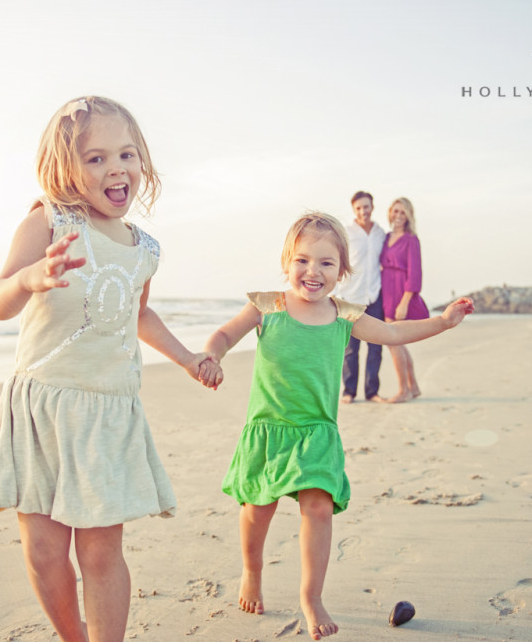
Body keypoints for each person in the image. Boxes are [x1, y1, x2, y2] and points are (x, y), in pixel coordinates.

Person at [0, 96, 217, 642]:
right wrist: (30, 278)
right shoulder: (48, 220)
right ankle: (73, 635)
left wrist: (186, 358)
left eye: (127, 154)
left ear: (142, 163)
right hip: (42, 405)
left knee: (99, 550)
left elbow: (136, 313)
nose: (116, 168)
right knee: (43, 551)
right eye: (95, 158)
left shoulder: (144, 249)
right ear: (66, 167)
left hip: (105, 412)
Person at [199, 212, 473, 640]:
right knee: (257, 509)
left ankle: (311, 596)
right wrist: (210, 357)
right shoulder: (266, 306)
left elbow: (392, 333)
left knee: (319, 509)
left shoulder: (345, 316)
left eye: (326, 263)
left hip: (317, 432)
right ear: (287, 262)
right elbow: (222, 335)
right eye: (303, 260)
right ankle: (252, 572)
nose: (313, 271)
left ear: (342, 271)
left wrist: (442, 322)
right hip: (269, 429)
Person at [335, 191, 386, 404]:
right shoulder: (346, 233)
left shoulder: (380, 233)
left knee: (376, 347)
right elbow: (338, 261)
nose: (363, 211)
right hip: (350, 297)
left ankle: (372, 392)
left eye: (366, 207)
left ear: (372, 207)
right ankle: (349, 392)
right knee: (350, 349)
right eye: (358, 208)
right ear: (354, 210)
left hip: (374, 295)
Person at [380, 197, 430, 403]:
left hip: (401, 293)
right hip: (386, 291)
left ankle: (404, 390)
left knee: (394, 341)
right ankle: (414, 387)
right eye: (396, 211)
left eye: (403, 213)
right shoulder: (386, 237)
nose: (398, 216)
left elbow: (415, 273)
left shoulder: (411, 239)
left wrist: (404, 301)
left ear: (408, 216)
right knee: (396, 342)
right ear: (390, 213)